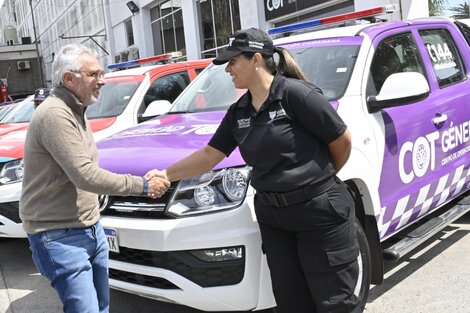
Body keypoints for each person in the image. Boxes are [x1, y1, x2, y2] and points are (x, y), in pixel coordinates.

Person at [147, 28, 360, 313]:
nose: (228, 69)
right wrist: (165, 174)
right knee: (292, 302)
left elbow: (342, 141)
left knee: (335, 303)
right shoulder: (239, 111)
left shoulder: (296, 95)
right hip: (275, 218)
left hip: (318, 212)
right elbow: (210, 155)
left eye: (233, 61)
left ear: (256, 59)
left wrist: (316, 180)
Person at [19, 43, 170, 313]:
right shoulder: (55, 114)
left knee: (100, 308)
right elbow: (85, 175)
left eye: (101, 73)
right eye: (94, 74)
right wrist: (144, 185)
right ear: (68, 78)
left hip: (89, 228)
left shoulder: (76, 109)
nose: (102, 81)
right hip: (58, 235)